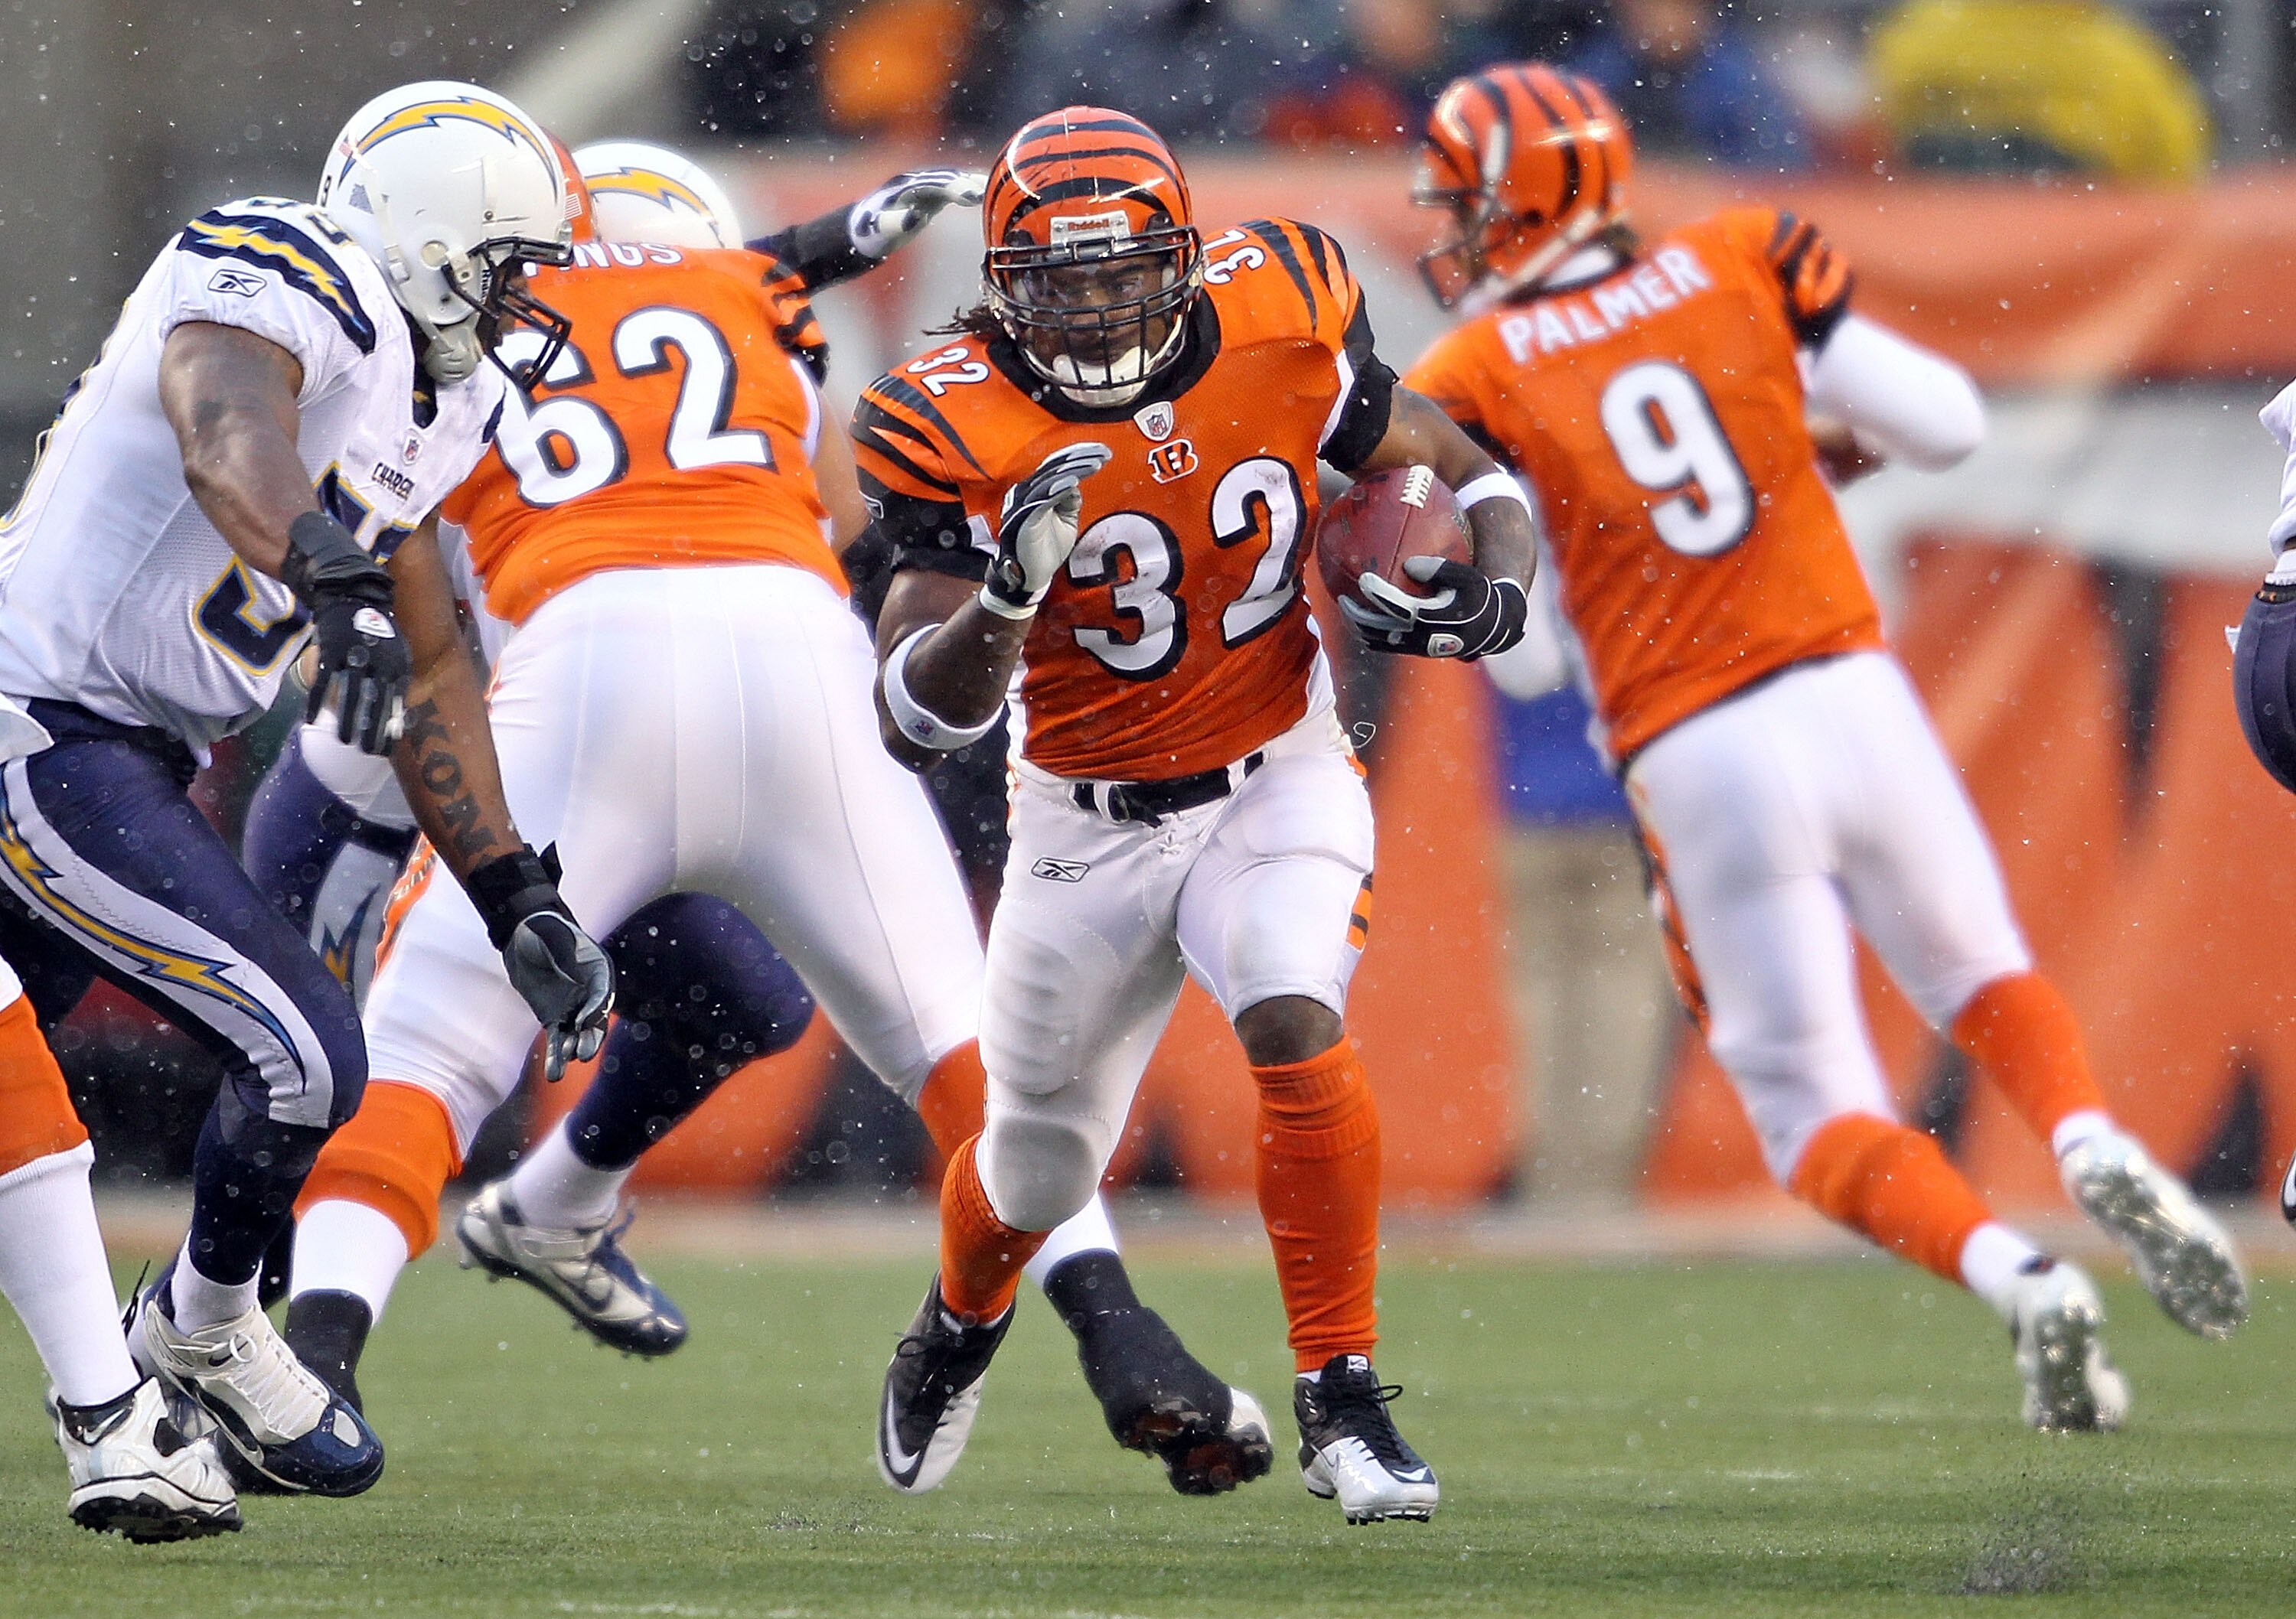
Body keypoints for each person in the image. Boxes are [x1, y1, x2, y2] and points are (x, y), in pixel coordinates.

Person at [272, 140, 1275, 1499]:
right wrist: (839, 239)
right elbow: (783, 290)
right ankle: (1116, 1328)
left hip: (583, 662)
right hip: (798, 650)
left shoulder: (474, 308)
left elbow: (413, 561)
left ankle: (317, 1360)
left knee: (431, 1048)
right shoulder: (741, 291)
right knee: (963, 1050)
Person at [1402, 63, 2247, 1430]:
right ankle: (2090, 1137)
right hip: (1850, 688)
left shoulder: (1477, 374)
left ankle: (2025, 1280)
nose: (1450, 229)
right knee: (1981, 973)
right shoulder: (1741, 251)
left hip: (1696, 743)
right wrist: (1797, 434)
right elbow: (1949, 425)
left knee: (1810, 1112)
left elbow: (1530, 647)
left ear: (1530, 201)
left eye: (1465, 202)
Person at [859, 106, 1537, 1523]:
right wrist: (1004, 597)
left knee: (1293, 1009)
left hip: (1274, 769)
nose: (1100, 304)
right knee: (1034, 1160)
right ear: (1002, 279)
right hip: (1079, 820)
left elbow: (1470, 470)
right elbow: (917, 716)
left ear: (1184, 257)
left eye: (1125, 271)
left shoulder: (1283, 307)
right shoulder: (942, 410)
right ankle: (953, 1330)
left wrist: (1496, 587)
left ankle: (1342, 1398)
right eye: (1064, 276)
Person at [0, 80, 615, 1497]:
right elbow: (225, 424)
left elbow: (430, 653)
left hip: (136, 752)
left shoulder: (443, 400)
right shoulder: (289, 266)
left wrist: (510, 883)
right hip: (42, 727)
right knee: (306, 1050)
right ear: (428, 236)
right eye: (512, 265)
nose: (527, 302)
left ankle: (154, 1368)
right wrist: (324, 570)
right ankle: (200, 1330)